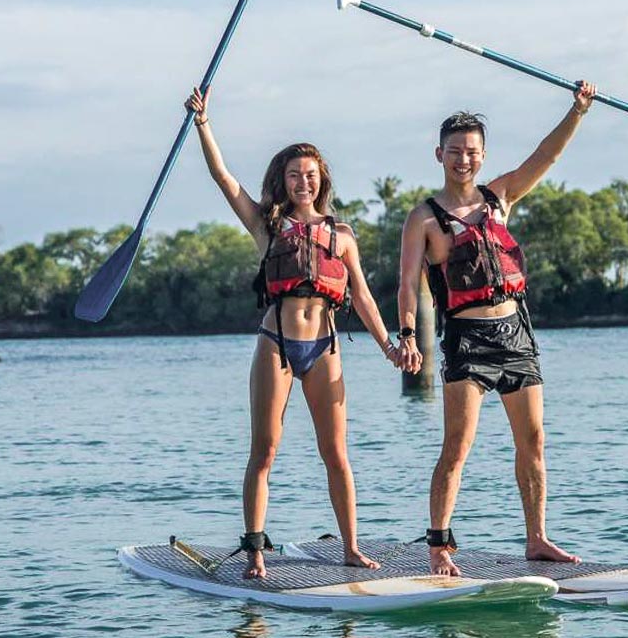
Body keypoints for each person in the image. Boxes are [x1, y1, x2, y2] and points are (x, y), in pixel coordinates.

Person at [187, 87, 418, 579]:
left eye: (310, 175)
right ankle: (254, 551)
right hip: (276, 345)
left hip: (326, 347)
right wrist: (204, 125)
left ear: (321, 180)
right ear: (283, 181)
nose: (303, 183)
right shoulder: (267, 226)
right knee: (264, 449)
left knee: (336, 453)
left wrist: (390, 346)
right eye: (294, 175)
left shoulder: (342, 235)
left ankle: (351, 547)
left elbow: (364, 298)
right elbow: (224, 180)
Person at [396, 81, 597, 576]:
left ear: (483, 155)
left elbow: (545, 157)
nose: (464, 159)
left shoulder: (500, 196)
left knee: (533, 442)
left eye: (472, 152)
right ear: (439, 154)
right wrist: (406, 334)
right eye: (455, 151)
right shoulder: (423, 218)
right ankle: (440, 544)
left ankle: (537, 539)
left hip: (516, 336)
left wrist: (578, 110)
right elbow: (405, 285)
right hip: (467, 341)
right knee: (457, 447)